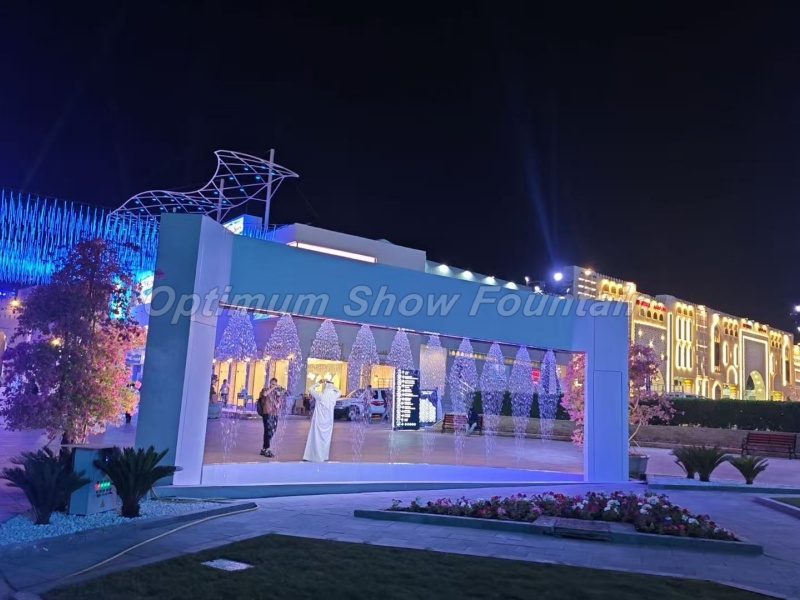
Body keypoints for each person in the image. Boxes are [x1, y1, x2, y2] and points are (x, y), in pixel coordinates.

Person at [303, 379, 341, 462]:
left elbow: (309, 389)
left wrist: (319, 383)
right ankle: (323, 457)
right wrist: (332, 385)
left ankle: (313, 456)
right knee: (325, 440)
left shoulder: (320, 395)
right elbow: (339, 391)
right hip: (328, 422)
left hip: (319, 421)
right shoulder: (334, 396)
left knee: (316, 438)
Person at [258, 378, 284, 458]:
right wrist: (272, 388)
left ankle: (264, 448)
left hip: (274, 414)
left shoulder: (276, 393)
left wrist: (279, 401)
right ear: (270, 383)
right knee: (268, 430)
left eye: (275, 384)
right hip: (267, 413)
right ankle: (267, 448)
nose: (273, 385)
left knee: (273, 430)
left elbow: (278, 404)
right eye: (272, 384)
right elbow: (265, 394)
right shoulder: (265, 389)